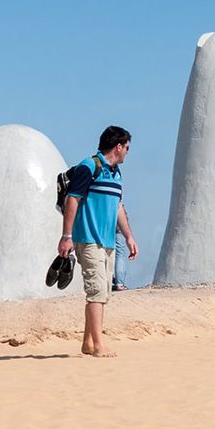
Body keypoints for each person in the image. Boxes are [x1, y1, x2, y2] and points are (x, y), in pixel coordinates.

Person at [57, 126, 139, 357]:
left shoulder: (116, 174)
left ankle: (88, 343)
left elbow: (118, 207)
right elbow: (72, 200)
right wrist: (66, 236)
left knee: (102, 293)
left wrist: (129, 236)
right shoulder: (89, 166)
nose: (128, 153)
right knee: (96, 292)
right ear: (118, 147)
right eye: (127, 148)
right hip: (88, 239)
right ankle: (99, 344)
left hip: (108, 242)